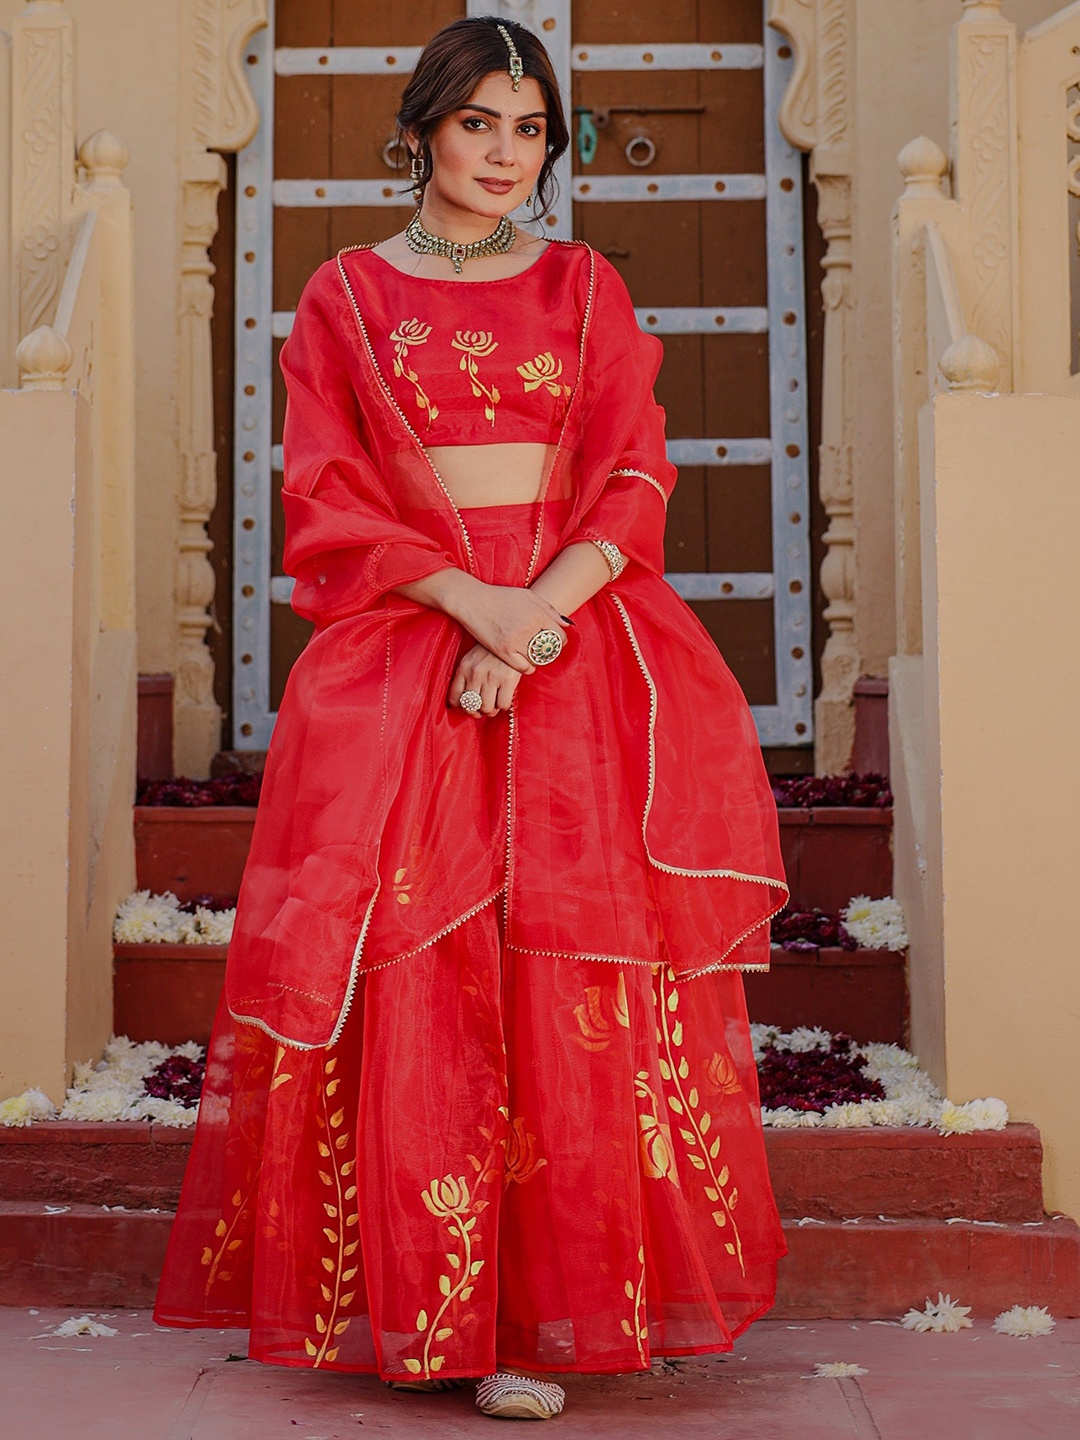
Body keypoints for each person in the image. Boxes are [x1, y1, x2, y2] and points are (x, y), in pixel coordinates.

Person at [154, 14, 789, 1423]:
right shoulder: (345, 296)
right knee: (431, 974)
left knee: (572, 978)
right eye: (478, 123)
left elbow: (632, 477)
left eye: (529, 128)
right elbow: (326, 499)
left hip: (576, 654)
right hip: (409, 649)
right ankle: (458, 1319)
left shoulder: (585, 292)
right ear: (424, 128)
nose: (505, 154)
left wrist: (536, 619)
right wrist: (478, 615)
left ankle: (578, 1302)